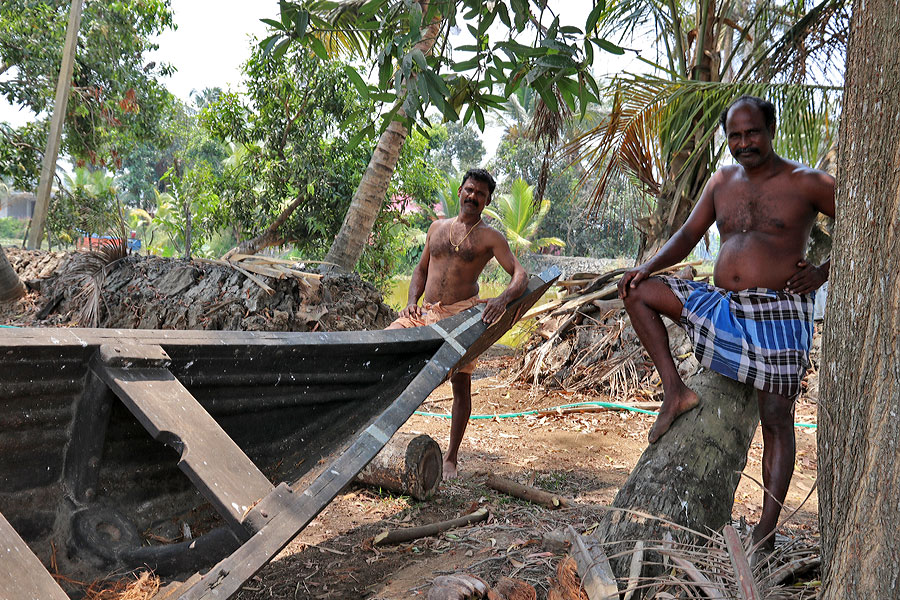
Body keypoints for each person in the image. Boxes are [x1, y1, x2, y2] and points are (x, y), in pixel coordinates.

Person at [617, 95, 834, 549]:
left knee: (776, 418)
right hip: (722, 307)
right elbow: (686, 236)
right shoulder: (722, 182)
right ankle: (675, 391)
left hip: (779, 313)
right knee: (637, 291)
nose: (743, 143)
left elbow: (866, 223)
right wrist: (648, 266)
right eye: (734, 136)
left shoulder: (808, 182)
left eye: (752, 132)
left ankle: (766, 532)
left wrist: (823, 271)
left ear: (770, 129)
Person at [387, 168, 527, 480]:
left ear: (487, 200)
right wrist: (412, 300)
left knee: (460, 384)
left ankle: (450, 458)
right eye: (469, 190)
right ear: (460, 192)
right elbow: (421, 270)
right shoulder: (437, 228)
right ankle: (369, 433)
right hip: (425, 311)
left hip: (462, 315)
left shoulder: (491, 238)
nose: (472, 196)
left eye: (480, 193)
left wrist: (502, 299)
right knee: (386, 345)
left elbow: (520, 274)